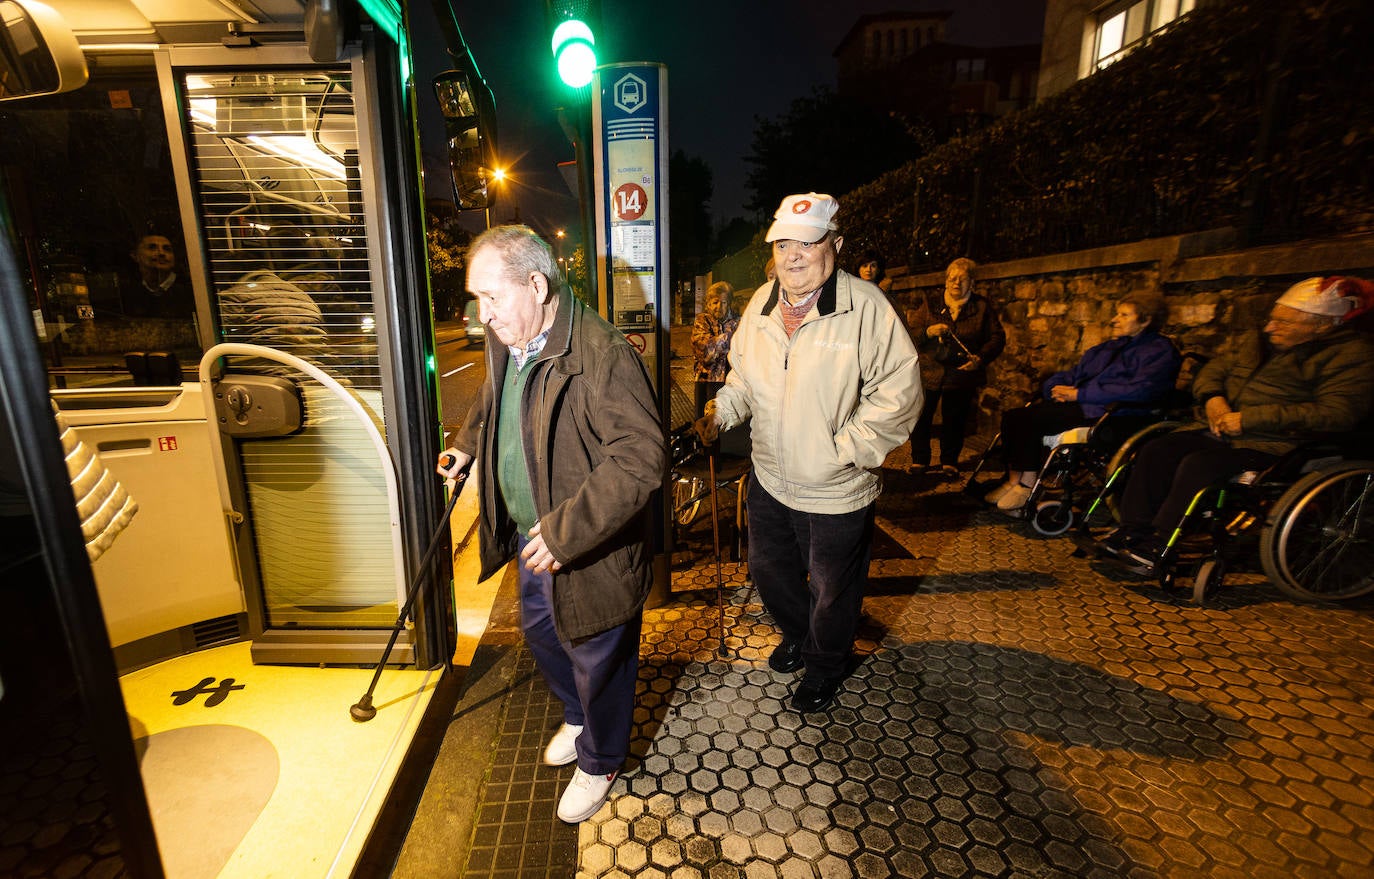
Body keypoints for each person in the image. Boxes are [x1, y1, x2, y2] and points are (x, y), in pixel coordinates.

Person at [436, 225, 664, 823]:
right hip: (531, 538)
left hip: (584, 545)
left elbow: (641, 458)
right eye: (476, 300)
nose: (483, 316)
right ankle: (577, 716)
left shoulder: (601, 354)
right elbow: (494, 394)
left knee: (599, 656)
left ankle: (602, 758)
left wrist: (566, 533)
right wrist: (466, 445)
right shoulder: (512, 336)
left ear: (536, 285)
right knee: (543, 637)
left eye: (491, 298)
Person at [694, 192, 921, 714]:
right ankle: (799, 635)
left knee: (832, 590)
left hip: (836, 486)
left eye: (808, 241)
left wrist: (845, 449)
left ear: (834, 244)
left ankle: (825, 664)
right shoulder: (760, 304)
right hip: (771, 478)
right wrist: (720, 412)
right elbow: (744, 378)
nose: (793, 254)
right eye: (782, 243)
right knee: (768, 570)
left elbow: (900, 393)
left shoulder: (866, 306)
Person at [1093, 276, 1374, 570]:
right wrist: (1214, 398)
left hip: (1278, 443)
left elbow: (1337, 412)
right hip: (1222, 427)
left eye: (1284, 323)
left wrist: (1248, 419)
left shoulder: (1353, 356)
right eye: (1272, 319)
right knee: (1157, 449)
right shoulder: (1256, 341)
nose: (1269, 328)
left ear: (1323, 325)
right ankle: (1133, 530)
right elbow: (1214, 370)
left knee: (1200, 464)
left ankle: (1161, 542)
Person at [985, 293, 1181, 513]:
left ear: (1146, 320)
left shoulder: (1159, 351)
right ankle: (1012, 480)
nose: (1115, 319)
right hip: (1082, 403)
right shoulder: (1110, 347)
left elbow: (1141, 390)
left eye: (1124, 315)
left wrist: (1079, 394)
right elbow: (1076, 373)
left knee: (1029, 419)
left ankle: (1026, 484)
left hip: (1113, 414)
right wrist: (1054, 388)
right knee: (1013, 416)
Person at [907, 257, 1006, 476]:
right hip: (929, 370)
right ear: (945, 281)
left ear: (971, 282)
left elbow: (997, 337)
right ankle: (919, 459)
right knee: (921, 416)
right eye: (952, 278)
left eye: (962, 279)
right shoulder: (931, 303)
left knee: (955, 419)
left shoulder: (981, 307)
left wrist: (980, 358)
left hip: (961, 373)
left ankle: (949, 461)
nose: (955, 283)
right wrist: (928, 332)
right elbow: (910, 333)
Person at [691, 281, 740, 416]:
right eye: (715, 302)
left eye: (723, 302)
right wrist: (731, 338)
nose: (719, 307)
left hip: (732, 381)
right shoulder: (702, 320)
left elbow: (743, 349)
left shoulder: (738, 320)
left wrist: (717, 344)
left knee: (729, 423)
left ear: (729, 303)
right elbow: (705, 352)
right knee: (705, 422)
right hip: (707, 381)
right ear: (708, 303)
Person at [122, 232, 194, 319]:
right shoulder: (128, 295)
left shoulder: (192, 290)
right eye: (152, 248)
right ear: (135, 256)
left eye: (167, 249)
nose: (161, 253)